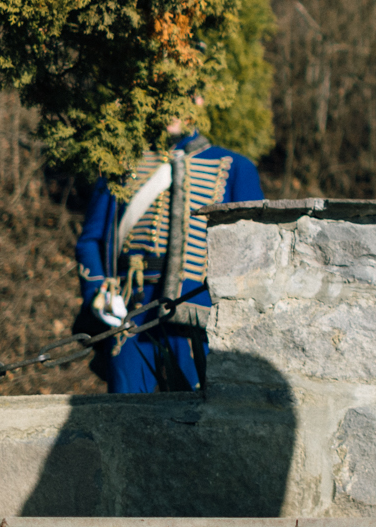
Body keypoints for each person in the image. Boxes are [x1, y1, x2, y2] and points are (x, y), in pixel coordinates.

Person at [76, 112, 265, 392]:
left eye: (188, 94)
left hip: (198, 314)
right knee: (124, 413)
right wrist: (99, 292)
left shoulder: (236, 167)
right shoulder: (121, 165)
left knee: (195, 415)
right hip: (130, 309)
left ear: (201, 101)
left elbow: (252, 252)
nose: (174, 110)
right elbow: (91, 240)